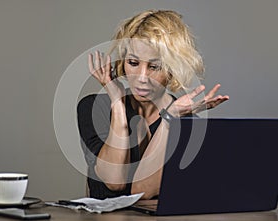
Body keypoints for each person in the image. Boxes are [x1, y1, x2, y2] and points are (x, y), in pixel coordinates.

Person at [77, 9, 229, 200]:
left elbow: (142, 192)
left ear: (172, 69)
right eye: (133, 63)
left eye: (154, 67)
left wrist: (169, 119)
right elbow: (114, 181)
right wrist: (117, 102)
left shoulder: (187, 123)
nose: (142, 78)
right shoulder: (93, 108)